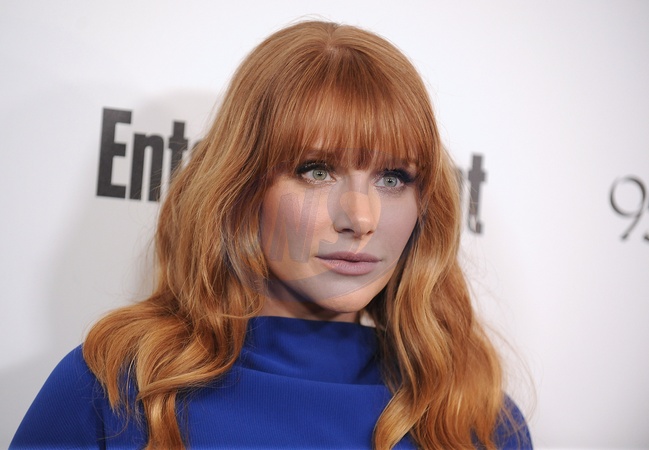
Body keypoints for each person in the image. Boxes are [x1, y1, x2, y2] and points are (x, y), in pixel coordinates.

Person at [11, 20, 532, 449]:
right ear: (243, 188)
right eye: (317, 170)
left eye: (393, 178)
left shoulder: (474, 417)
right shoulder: (116, 388)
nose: (361, 218)